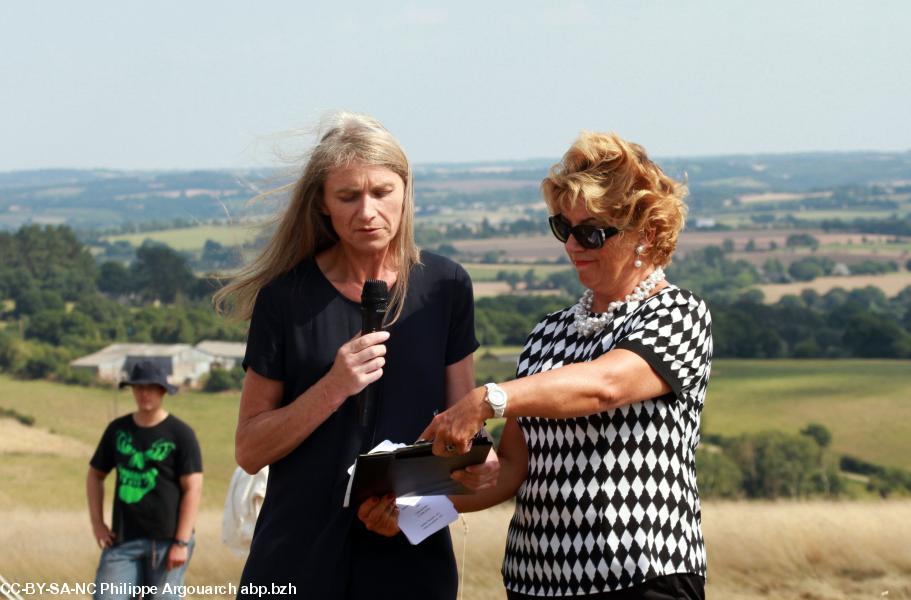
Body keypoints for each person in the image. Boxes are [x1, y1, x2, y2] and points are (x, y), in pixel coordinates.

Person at [214, 112, 497, 600]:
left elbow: (462, 433)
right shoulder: (285, 299)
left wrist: (474, 468)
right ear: (322, 203)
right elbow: (250, 448)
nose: (367, 211)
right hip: (296, 562)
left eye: (381, 192)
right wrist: (333, 386)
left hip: (412, 565)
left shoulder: (447, 287)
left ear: (405, 190)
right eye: (347, 196)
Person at [421, 131, 713, 599]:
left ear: (649, 233)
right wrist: (415, 507)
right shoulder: (548, 334)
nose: (574, 244)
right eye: (564, 228)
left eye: (592, 231)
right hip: (537, 583)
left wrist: (488, 398)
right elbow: (514, 467)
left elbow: (605, 386)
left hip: (638, 579)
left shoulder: (678, 314)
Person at [87, 360, 203, 600]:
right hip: (123, 540)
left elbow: (193, 488)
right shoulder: (118, 430)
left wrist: (181, 543)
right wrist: (98, 524)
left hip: (168, 542)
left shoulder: (181, 434)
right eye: (138, 387)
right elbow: (95, 475)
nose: (144, 393)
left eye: (151, 387)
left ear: (162, 390)